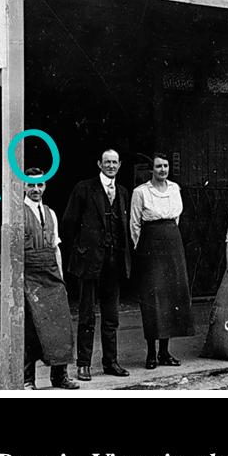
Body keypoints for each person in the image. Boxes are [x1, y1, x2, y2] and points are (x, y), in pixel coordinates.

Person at [61, 149, 133, 381]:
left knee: (111, 316)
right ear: (99, 164)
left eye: (115, 162)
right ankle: (84, 364)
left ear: (120, 165)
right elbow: (69, 223)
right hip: (90, 262)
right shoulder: (84, 188)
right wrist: (82, 249)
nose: (111, 166)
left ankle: (111, 362)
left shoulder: (123, 192)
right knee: (87, 315)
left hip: (113, 263)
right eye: (107, 162)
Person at [130, 154, 194, 369]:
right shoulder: (140, 192)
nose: (163, 169)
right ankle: (150, 353)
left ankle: (165, 352)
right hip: (150, 246)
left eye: (165, 166)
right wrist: (142, 249)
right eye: (158, 166)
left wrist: (170, 238)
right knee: (153, 298)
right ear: (152, 169)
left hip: (172, 243)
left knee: (171, 297)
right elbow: (135, 224)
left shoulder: (175, 189)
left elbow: (177, 218)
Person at [22, 167, 78, 390]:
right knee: (31, 329)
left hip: (52, 276)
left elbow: (56, 248)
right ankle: (28, 379)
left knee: (60, 326)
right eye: (31, 184)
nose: (36, 189)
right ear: (23, 186)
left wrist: (61, 279)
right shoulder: (17, 212)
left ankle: (60, 376)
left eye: (40, 184)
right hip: (30, 276)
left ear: (45, 186)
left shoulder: (51, 212)